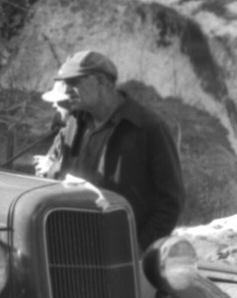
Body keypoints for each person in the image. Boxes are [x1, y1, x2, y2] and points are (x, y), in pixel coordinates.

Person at [33, 49, 185, 249]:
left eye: (75, 83)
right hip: (70, 250)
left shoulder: (148, 128)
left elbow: (170, 202)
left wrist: (138, 247)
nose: (67, 91)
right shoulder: (72, 124)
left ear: (102, 81)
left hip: (120, 257)